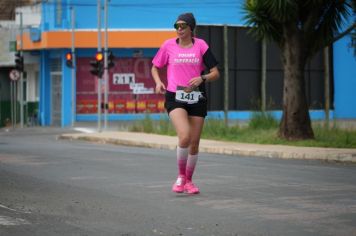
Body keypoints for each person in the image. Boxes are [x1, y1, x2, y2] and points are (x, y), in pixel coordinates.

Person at [151, 12, 219, 194]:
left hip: (197, 96)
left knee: (194, 143)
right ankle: (181, 176)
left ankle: (189, 181)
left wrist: (202, 78)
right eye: (176, 26)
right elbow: (155, 66)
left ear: (191, 28)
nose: (179, 29)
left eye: (183, 26)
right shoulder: (168, 46)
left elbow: (215, 73)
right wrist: (158, 82)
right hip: (175, 96)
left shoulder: (201, 46)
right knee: (185, 136)